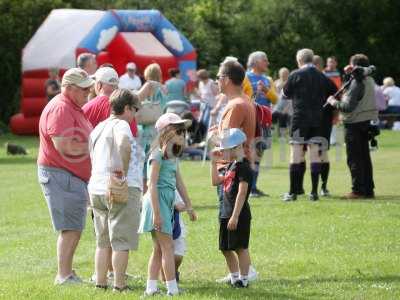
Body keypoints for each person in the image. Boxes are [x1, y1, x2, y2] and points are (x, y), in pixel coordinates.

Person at [37, 68, 94, 284]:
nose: (88, 91)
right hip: (61, 175)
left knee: (74, 227)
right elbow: (65, 146)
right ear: (69, 88)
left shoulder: (73, 106)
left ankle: (67, 272)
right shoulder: (61, 108)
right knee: (70, 228)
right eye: (84, 88)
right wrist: (95, 145)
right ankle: (63, 275)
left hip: (69, 176)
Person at [88, 89, 143, 292]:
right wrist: (123, 174)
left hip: (96, 187)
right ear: (126, 107)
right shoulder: (122, 125)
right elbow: (124, 145)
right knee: (121, 239)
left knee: (102, 241)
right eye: (134, 109)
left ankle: (100, 282)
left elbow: (91, 157)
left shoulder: (98, 128)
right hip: (116, 187)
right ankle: (119, 285)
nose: (135, 114)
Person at [138, 113, 197, 296]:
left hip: (166, 201)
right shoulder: (156, 155)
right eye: (178, 131)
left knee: (159, 248)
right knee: (167, 247)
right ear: (166, 133)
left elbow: (179, 183)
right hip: (156, 202)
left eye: (183, 132)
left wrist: (189, 205)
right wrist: (157, 213)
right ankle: (172, 289)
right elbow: (151, 184)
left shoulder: (173, 157)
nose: (182, 135)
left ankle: (151, 288)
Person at [213, 58, 258, 284]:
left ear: (227, 79)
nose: (217, 81)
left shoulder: (235, 105)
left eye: (219, 77)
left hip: (230, 169)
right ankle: (240, 272)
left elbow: (225, 140)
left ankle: (243, 273)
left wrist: (213, 137)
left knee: (233, 229)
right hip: (235, 166)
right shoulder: (245, 101)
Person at [282, 48, 337, 201]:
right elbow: (335, 93)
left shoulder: (295, 75)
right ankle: (313, 192)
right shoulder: (323, 77)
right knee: (315, 155)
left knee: (296, 155)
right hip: (318, 120)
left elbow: (285, 94)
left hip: (299, 119)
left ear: (299, 60)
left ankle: (293, 192)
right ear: (312, 60)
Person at [327, 54, 378, 199]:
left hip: (354, 123)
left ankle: (357, 190)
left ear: (355, 66)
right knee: (364, 158)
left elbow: (347, 106)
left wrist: (332, 102)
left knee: (354, 159)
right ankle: (368, 189)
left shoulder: (357, 81)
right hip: (366, 121)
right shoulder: (370, 79)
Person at [211, 128, 253, 288]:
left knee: (240, 247)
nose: (222, 153)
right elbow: (215, 181)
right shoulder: (231, 166)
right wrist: (213, 163)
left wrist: (235, 216)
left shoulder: (243, 167)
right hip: (225, 212)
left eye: (225, 150)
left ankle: (244, 279)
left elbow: (242, 193)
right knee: (225, 248)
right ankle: (234, 277)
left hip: (239, 214)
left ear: (237, 148)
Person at [243, 51, 278, 197]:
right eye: (265, 60)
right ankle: (245, 188)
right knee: (246, 154)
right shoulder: (245, 77)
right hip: (249, 120)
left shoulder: (268, 80)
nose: (267, 63)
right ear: (256, 62)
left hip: (264, 121)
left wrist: (266, 90)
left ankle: (253, 187)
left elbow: (276, 100)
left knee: (258, 154)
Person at [314, 55, 338, 197]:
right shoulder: (327, 81)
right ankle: (321, 187)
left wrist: (334, 117)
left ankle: (319, 187)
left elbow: (336, 99)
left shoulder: (326, 81)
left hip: (317, 121)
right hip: (322, 122)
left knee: (316, 154)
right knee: (321, 153)